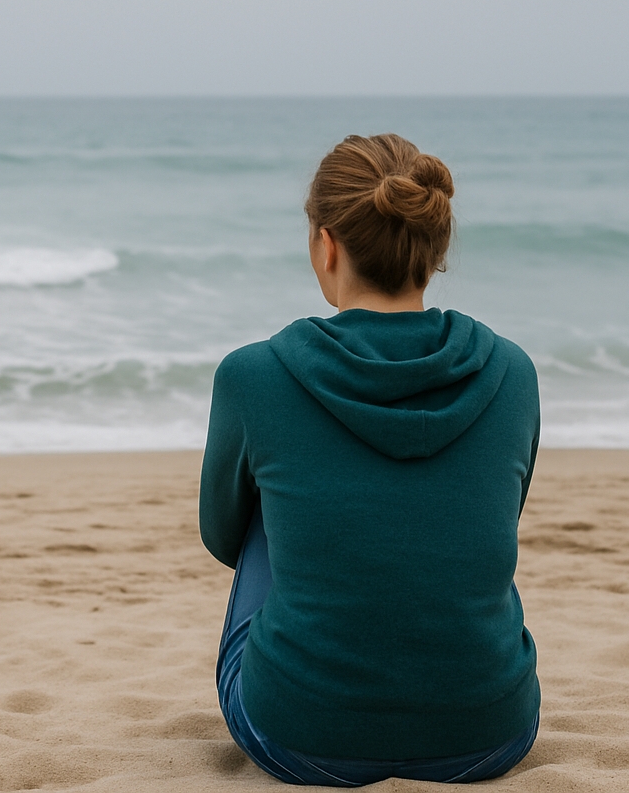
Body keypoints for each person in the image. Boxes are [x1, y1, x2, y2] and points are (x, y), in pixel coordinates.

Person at [199, 133, 540, 786]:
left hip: (302, 740)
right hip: (491, 736)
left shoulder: (255, 375)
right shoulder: (512, 372)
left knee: (270, 510)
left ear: (326, 245)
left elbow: (223, 537)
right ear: (433, 250)